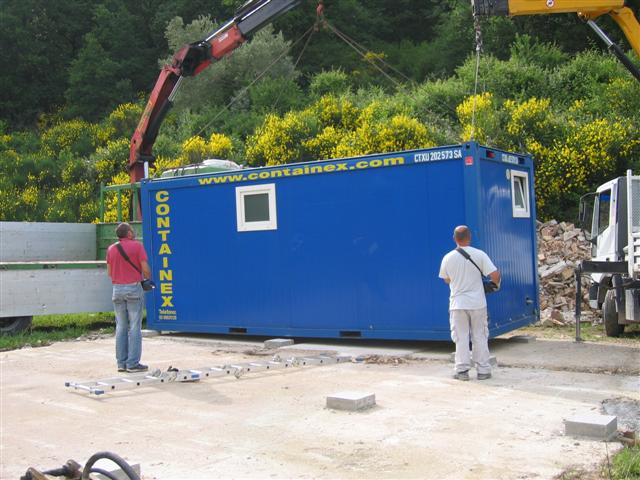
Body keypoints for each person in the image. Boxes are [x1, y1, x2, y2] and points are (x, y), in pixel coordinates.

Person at [439, 225, 500, 381]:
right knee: (479, 336)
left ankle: (462, 371)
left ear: (454, 239)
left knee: (461, 338)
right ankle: (484, 370)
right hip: (478, 303)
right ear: (470, 237)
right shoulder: (480, 255)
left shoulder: (447, 257)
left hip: (457, 304)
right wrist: (494, 285)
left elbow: (446, 279)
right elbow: (495, 274)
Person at [106, 222, 151, 373]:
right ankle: (132, 363)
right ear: (129, 234)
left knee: (121, 326)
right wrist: (146, 278)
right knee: (134, 326)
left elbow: (109, 272)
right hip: (133, 288)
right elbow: (145, 269)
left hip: (116, 290)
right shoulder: (137, 246)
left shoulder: (111, 249)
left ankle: (121, 363)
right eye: (132, 230)